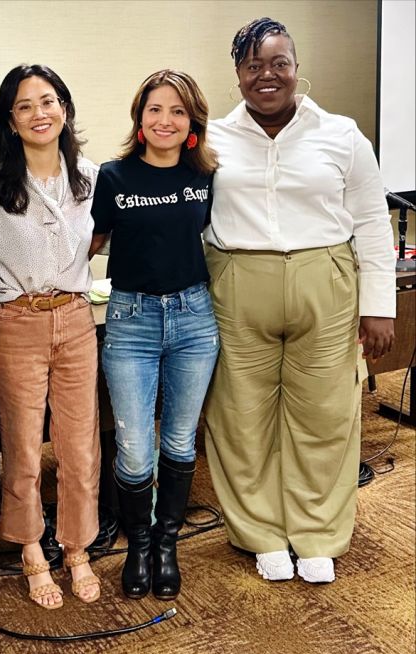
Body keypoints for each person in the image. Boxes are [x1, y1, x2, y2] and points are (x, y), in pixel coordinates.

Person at [203, 17, 396, 584]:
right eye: (253, 65)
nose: (268, 75)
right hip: (237, 282)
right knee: (240, 417)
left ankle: (317, 532)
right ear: (237, 74)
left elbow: (370, 221)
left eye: (279, 63)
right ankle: (260, 531)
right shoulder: (211, 138)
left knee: (326, 414)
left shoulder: (342, 133)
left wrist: (379, 304)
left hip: (325, 281)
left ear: (295, 66)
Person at [89, 70, 219, 601]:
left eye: (177, 112)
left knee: (181, 439)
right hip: (131, 320)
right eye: (155, 110)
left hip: (194, 319)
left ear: (192, 122)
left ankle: (167, 544)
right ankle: (138, 543)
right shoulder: (113, 176)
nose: (165, 120)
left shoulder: (206, 176)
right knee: (135, 448)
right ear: (139, 119)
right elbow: (89, 242)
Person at [0, 65, 101, 609]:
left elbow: (98, 240)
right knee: (23, 445)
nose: (38, 113)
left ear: (65, 108)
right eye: (24, 106)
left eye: (47, 101)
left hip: (75, 318)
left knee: (79, 446)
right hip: (16, 321)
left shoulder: (91, 177)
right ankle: (31, 549)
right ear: (9, 119)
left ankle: (77, 548)